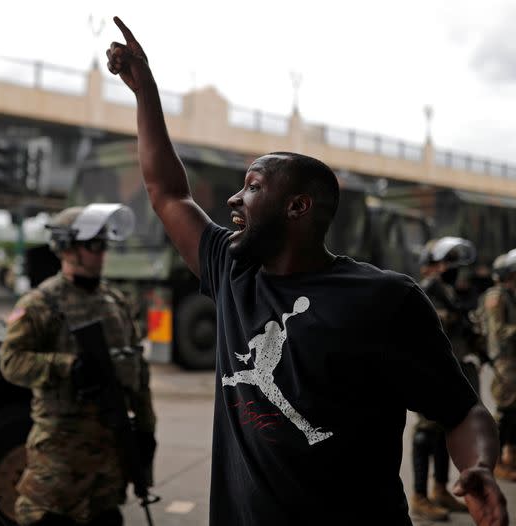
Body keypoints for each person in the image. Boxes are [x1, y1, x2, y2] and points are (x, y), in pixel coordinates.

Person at [106, 17, 507, 526]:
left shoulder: (384, 300)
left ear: (297, 207)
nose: (233, 197)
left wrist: (478, 468)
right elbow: (168, 191)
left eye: (251, 186)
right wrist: (146, 93)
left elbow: (462, 410)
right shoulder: (232, 270)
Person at [0, 203, 157, 526]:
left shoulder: (116, 302)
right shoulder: (41, 303)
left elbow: (138, 372)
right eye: (93, 245)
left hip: (108, 469)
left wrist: (145, 430)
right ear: (66, 248)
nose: (101, 253)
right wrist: (66, 366)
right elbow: (12, 362)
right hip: (58, 466)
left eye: (104, 245)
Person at [410, 237, 479, 520]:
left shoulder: (448, 291)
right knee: (425, 433)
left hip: (449, 370)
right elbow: (418, 325)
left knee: (443, 431)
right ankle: (419, 496)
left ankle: (439, 489)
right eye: (446, 263)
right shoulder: (423, 291)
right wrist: (449, 316)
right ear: (431, 265)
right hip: (427, 371)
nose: (451, 269)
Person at [478, 250, 516, 482]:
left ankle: (510, 453)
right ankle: (497, 461)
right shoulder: (497, 297)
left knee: (514, 412)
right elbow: (497, 333)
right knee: (504, 411)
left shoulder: (511, 295)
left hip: (513, 359)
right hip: (504, 360)